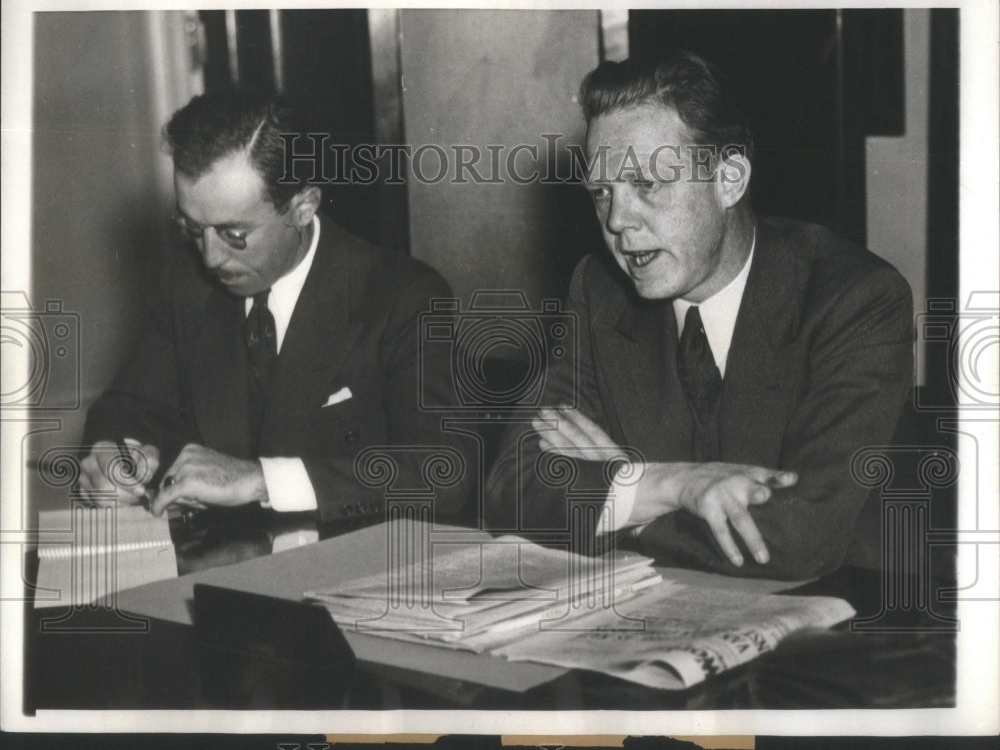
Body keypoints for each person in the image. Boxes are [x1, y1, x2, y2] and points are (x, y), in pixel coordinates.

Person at [485, 52, 913, 579]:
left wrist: (629, 507)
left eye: (648, 185)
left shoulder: (855, 299)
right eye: (602, 193)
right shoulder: (599, 291)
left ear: (729, 180)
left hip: (832, 635)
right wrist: (675, 485)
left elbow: (800, 538)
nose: (618, 221)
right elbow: (513, 492)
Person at [79, 89, 473, 529]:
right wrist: (112, 455)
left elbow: (445, 473)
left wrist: (261, 481)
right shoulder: (184, 284)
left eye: (233, 233)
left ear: (302, 207)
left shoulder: (403, 297)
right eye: (193, 228)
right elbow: (126, 407)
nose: (209, 257)